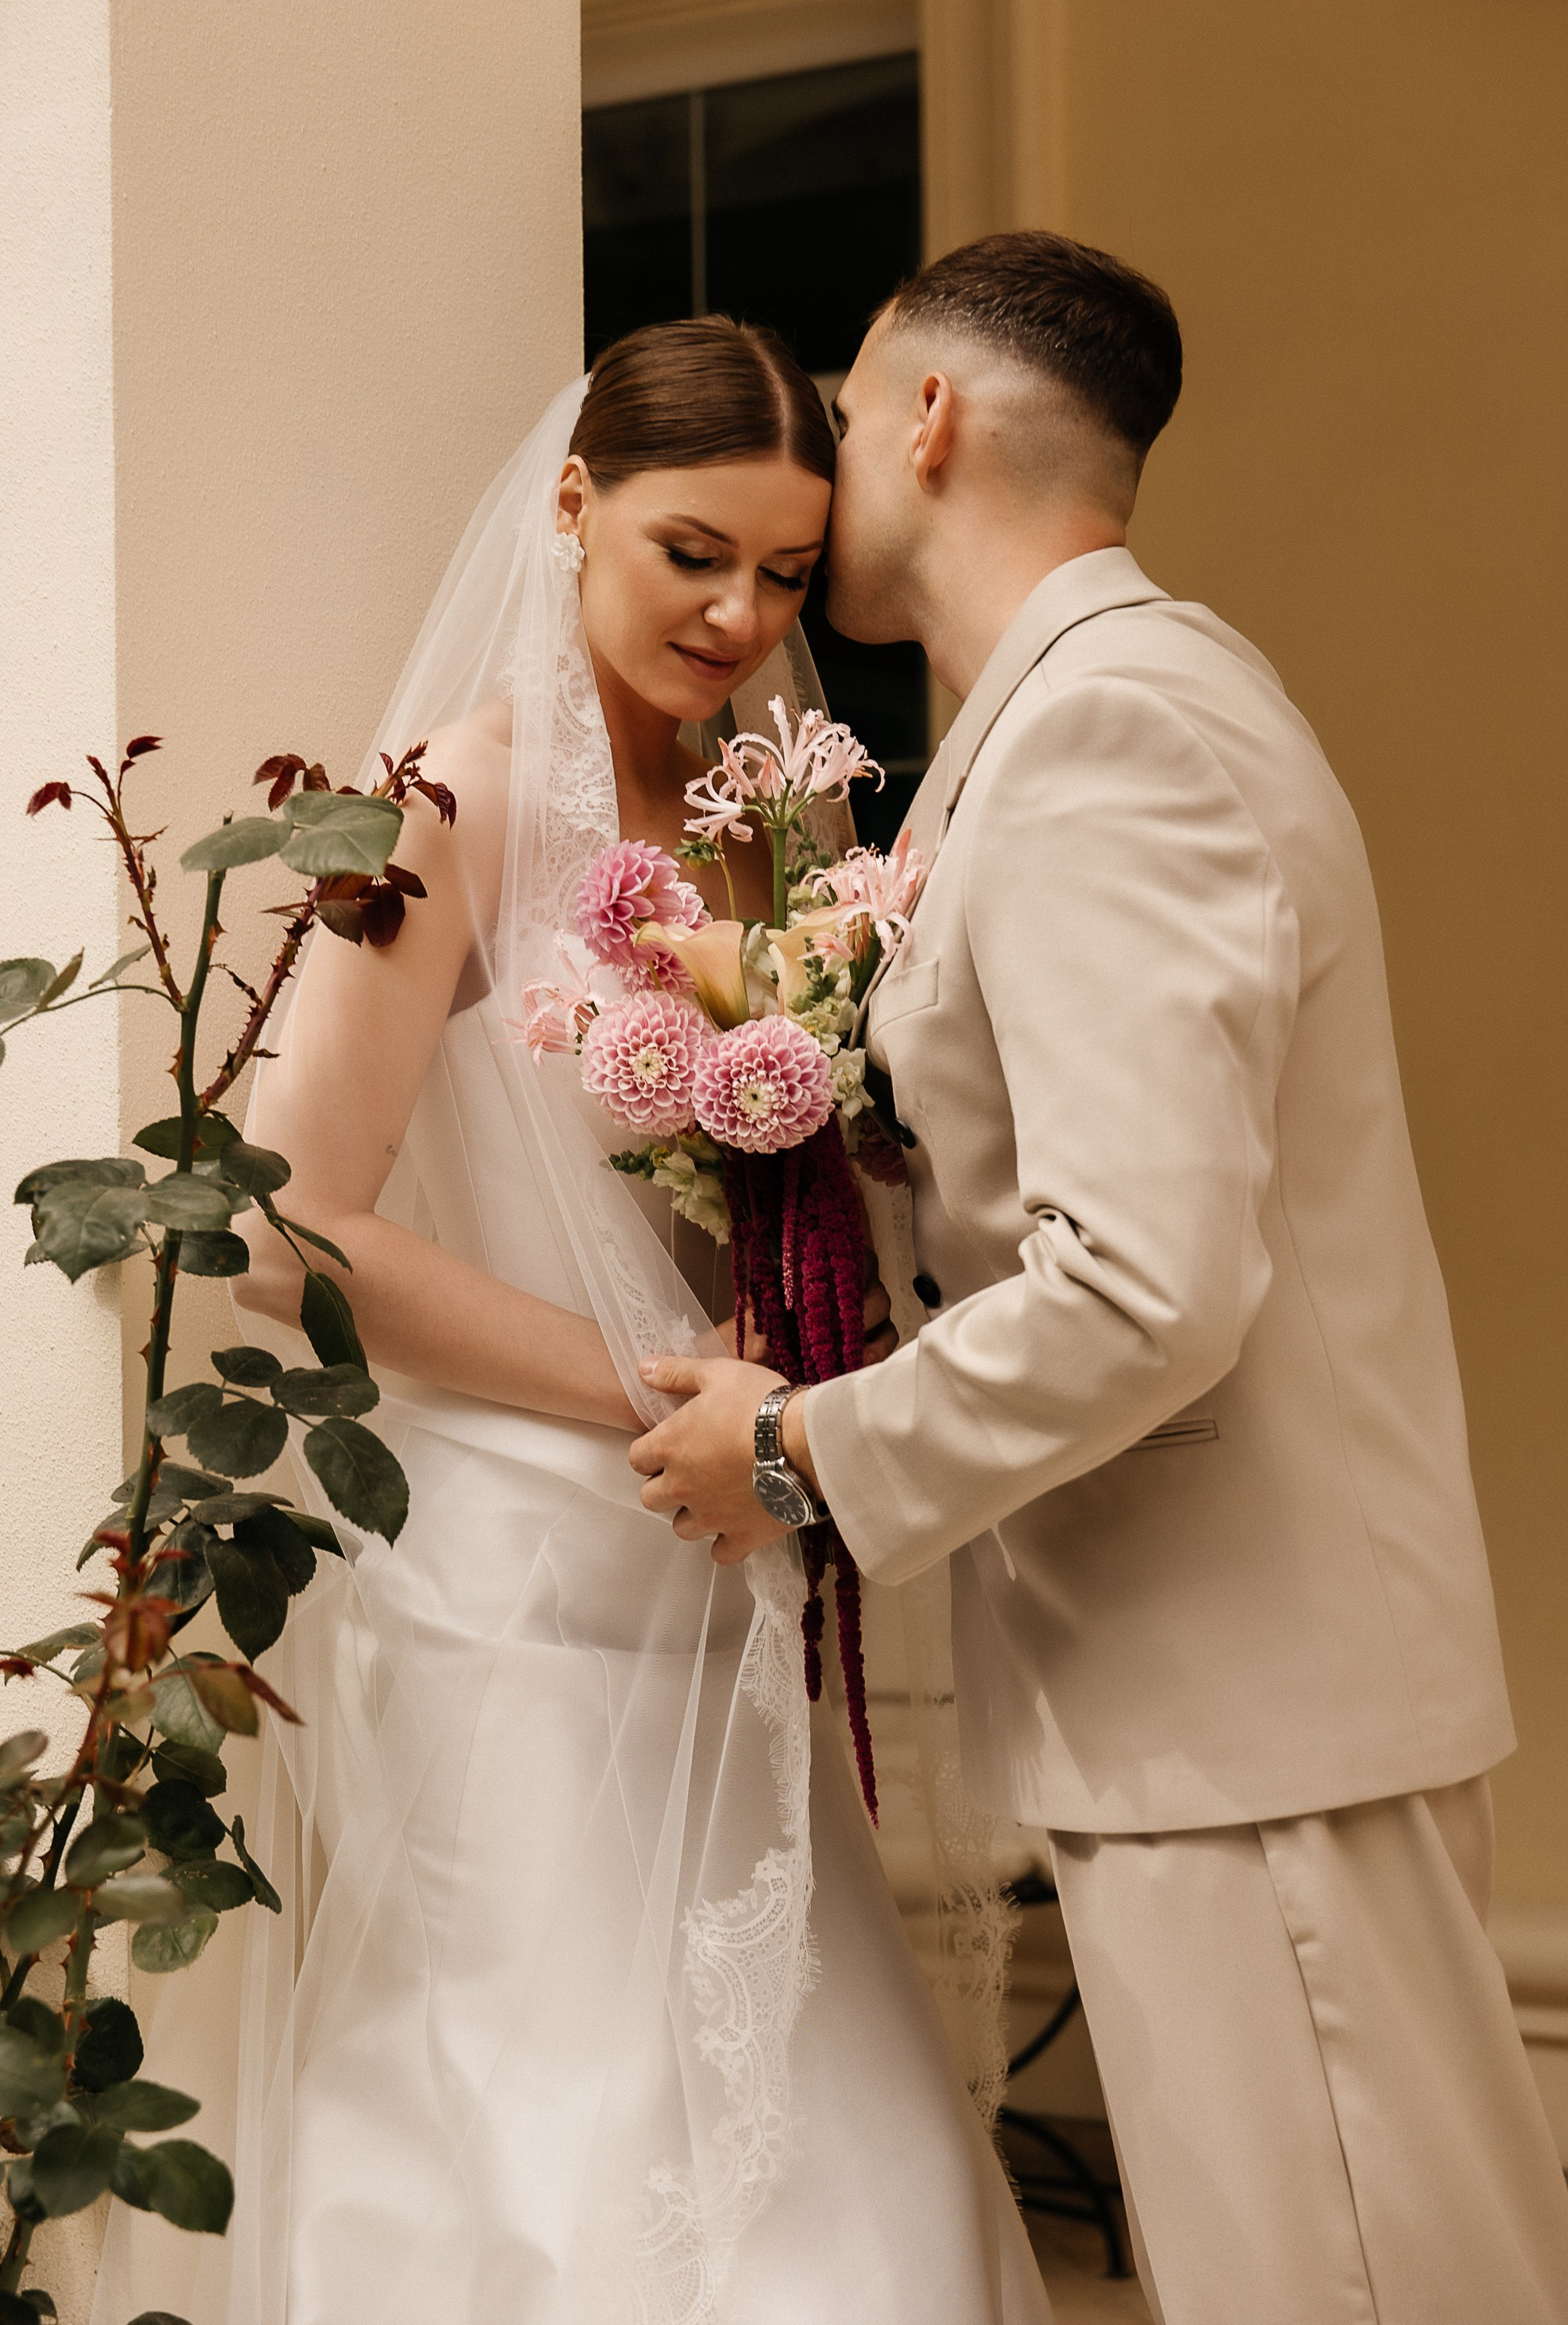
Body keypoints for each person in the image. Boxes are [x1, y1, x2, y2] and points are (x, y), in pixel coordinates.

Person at [632, 234, 1568, 2325]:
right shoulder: (1062, 721)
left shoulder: (1110, 735)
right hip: (1234, 1702)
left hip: (1261, 1717)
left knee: (1345, 2283)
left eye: (845, 414)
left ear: (928, 417)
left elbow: (1144, 1281)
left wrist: (800, 1451)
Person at [88, 321, 1051, 2325]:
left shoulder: (766, 832)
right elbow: (287, 1224)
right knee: (552, 2123)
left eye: (785, 574)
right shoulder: (449, 800)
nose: (737, 612)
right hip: (514, 1566)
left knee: (813, 2111)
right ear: (569, 502)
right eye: (694, 550)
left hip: (722, 1546)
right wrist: (647, 1392)